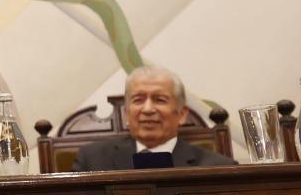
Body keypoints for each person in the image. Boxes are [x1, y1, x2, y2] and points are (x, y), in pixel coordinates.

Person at [69, 66, 233, 171]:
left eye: (160, 100)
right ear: (127, 113)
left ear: (182, 114)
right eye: (138, 100)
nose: (147, 109)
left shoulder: (218, 168)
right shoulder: (92, 161)